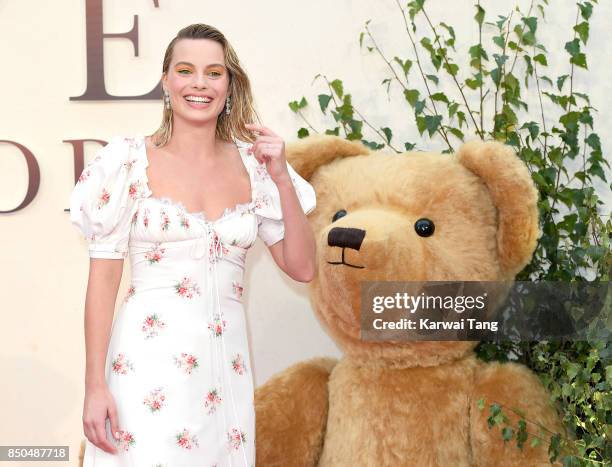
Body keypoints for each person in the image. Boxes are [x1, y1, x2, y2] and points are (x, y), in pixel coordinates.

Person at [70, 23, 316, 467]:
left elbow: (302, 268)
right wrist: (94, 387)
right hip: (145, 371)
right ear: (166, 81)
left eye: (213, 72)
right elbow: (102, 287)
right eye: (186, 70)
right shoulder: (127, 162)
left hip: (225, 374)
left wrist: (281, 177)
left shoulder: (256, 167)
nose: (200, 83)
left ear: (229, 83)